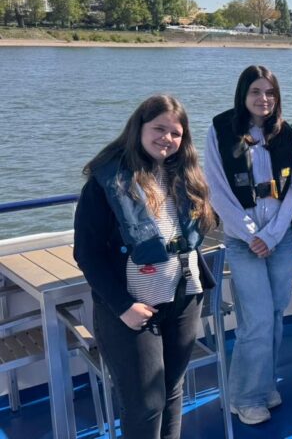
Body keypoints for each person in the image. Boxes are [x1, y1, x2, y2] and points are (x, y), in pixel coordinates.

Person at [74, 94, 218, 439]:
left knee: (172, 391)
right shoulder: (106, 182)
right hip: (132, 309)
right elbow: (87, 253)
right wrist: (123, 307)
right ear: (138, 128)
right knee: (145, 404)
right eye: (159, 129)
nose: (167, 138)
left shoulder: (185, 177)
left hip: (184, 301)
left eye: (176, 133)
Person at [205, 65, 292, 425]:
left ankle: (260, 385)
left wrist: (273, 235)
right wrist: (252, 234)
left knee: (275, 315)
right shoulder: (219, 130)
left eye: (270, 93)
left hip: (279, 237)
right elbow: (217, 190)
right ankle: (246, 398)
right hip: (244, 240)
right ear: (243, 95)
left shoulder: (287, 135)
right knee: (257, 320)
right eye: (256, 92)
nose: (264, 99)